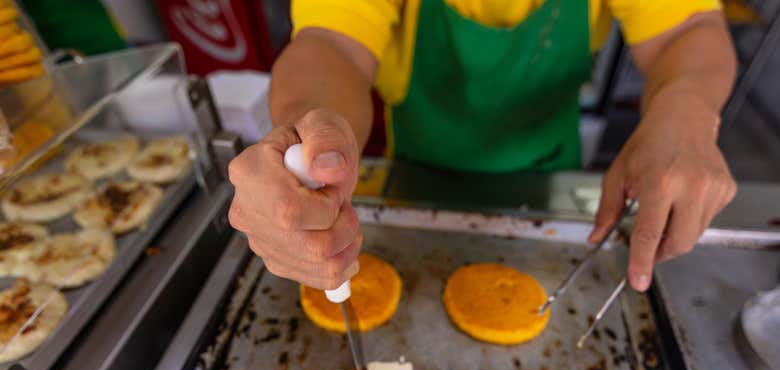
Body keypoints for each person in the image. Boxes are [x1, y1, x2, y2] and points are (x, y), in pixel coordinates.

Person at [228, 0, 737, 292]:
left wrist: (687, 111)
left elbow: (688, 29)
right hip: (417, 175)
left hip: (550, 176)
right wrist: (311, 143)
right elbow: (330, 45)